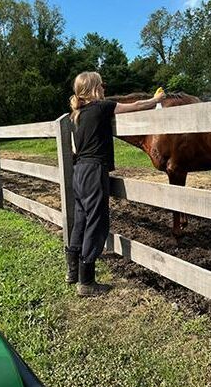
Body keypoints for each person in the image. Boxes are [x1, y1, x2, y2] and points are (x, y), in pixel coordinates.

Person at [64, 72, 166, 297]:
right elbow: (136, 105)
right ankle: (87, 282)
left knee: (81, 220)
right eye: (101, 84)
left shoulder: (75, 115)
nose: (104, 87)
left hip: (78, 171)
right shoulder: (101, 107)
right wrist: (155, 101)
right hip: (93, 171)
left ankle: (72, 272)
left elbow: (73, 149)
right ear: (94, 89)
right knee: (96, 223)